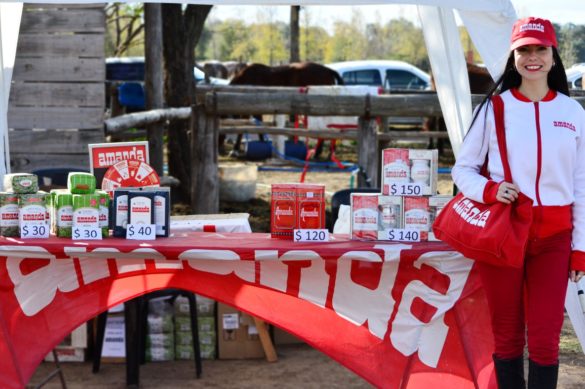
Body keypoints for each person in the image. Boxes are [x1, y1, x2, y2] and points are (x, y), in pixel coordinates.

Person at [452, 16, 585, 389]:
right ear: (513, 57)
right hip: (504, 235)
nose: (532, 57)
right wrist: (491, 191)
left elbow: (582, 184)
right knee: (508, 336)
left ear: (553, 55)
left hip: (555, 238)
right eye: (523, 49)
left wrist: (581, 249)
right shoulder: (494, 109)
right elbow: (462, 171)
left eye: (540, 49)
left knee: (545, 341)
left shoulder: (574, 114)